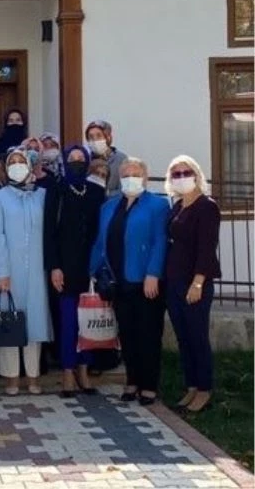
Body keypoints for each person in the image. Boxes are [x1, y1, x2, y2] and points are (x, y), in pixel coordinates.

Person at [90, 157, 169, 406]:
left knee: (148, 334)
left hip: (146, 281)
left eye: (135, 173)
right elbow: (100, 243)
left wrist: (153, 273)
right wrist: (90, 273)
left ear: (144, 178)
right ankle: (132, 381)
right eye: (126, 174)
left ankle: (148, 385)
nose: (130, 178)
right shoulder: (109, 207)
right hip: (118, 282)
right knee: (127, 334)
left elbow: (160, 241)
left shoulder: (157, 205)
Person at [0, 148, 52, 395]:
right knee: (9, 322)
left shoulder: (42, 196)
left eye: (20, 161)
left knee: (34, 321)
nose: (16, 165)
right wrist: (3, 271)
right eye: (11, 162)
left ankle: (33, 376)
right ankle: (11, 378)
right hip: (8, 270)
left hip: (36, 269)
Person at [43, 146, 105, 397]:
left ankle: (84, 370)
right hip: (65, 267)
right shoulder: (56, 190)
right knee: (69, 322)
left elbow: (100, 232)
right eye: (72, 159)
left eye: (81, 159)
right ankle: (68, 372)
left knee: (87, 321)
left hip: (89, 267)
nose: (77, 162)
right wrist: (54, 266)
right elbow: (48, 232)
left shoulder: (96, 191)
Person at [164, 155, 221, 413]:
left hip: (194, 283)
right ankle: (191, 387)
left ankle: (205, 389)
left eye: (185, 172)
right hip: (173, 281)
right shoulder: (177, 207)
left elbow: (207, 248)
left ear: (196, 174)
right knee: (183, 337)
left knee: (197, 337)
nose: (181, 177)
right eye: (175, 174)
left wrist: (197, 283)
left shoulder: (206, 207)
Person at [85, 120, 127, 196]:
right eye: (91, 137)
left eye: (99, 136)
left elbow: (124, 189)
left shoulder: (121, 159)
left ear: (108, 137)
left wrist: (105, 193)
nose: (95, 140)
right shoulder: (85, 159)